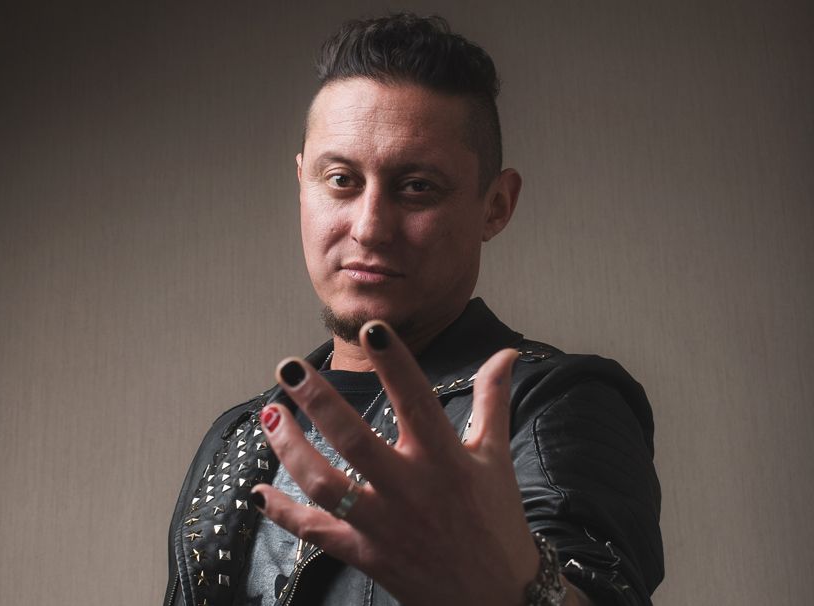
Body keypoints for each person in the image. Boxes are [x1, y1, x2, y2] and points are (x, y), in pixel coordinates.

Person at [163, 13, 663, 606]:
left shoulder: (554, 404)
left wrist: (519, 591)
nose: (370, 227)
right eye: (341, 179)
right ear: (302, 183)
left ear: (496, 205)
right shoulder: (239, 434)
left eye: (417, 186)